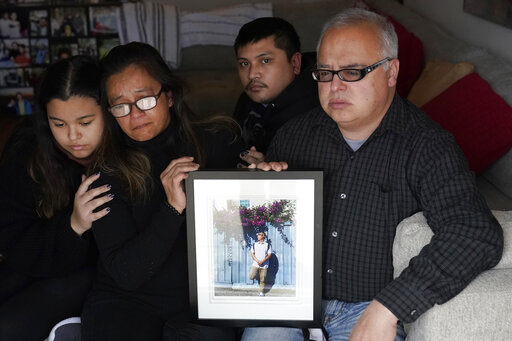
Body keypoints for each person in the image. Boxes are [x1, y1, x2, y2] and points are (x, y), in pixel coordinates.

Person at [243, 8, 503, 341]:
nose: (335, 87)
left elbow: (475, 232)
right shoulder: (294, 135)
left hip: (367, 308)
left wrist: (389, 307)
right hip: (288, 301)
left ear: (391, 72)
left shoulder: (427, 146)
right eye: (325, 73)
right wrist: (258, 188)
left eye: (352, 72)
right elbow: (263, 227)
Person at [81, 42, 242, 341]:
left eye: (144, 100)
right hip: (125, 302)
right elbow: (127, 274)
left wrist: (265, 174)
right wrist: (170, 209)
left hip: (201, 304)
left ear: (168, 95)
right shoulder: (107, 171)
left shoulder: (220, 141)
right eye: (120, 106)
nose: (135, 114)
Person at [0, 55, 143, 340]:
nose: (73, 136)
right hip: (33, 260)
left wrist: (78, 227)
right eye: (59, 124)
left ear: (108, 112)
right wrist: (73, 225)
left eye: (85, 121)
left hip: (98, 275)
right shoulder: (28, 152)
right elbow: (14, 240)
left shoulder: (131, 149)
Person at [233, 17, 319, 165]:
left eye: (265, 60)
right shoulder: (247, 100)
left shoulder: (318, 107)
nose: (252, 74)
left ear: (295, 63)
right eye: (244, 63)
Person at [249, 231, 272, 297]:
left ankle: (261, 292)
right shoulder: (254, 244)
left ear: (263, 236)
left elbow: (269, 255)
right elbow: (252, 254)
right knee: (251, 277)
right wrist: (257, 261)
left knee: (263, 280)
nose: (258, 236)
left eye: (259, 235)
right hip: (255, 264)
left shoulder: (267, 245)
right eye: (258, 234)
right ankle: (258, 275)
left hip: (264, 265)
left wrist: (262, 261)